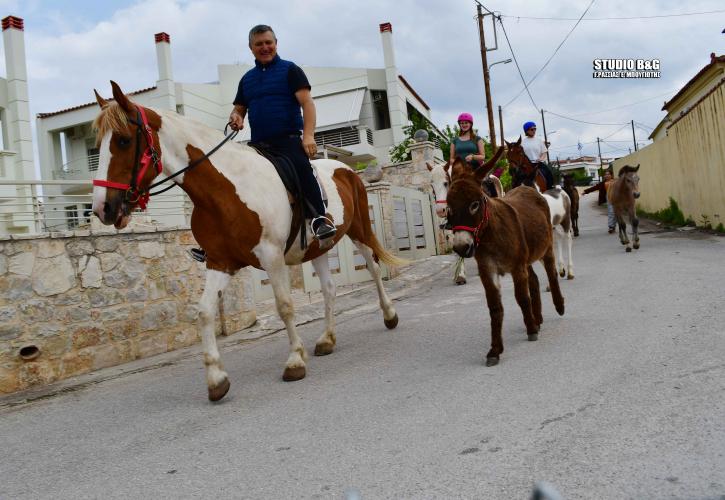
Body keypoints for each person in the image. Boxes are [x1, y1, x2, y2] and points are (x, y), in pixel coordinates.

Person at [190, 24, 335, 262]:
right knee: (230, 179)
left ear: (276, 43)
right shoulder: (247, 80)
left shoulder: (291, 70)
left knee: (302, 168)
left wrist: (308, 136)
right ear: (251, 48)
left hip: (288, 141)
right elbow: (239, 109)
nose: (265, 48)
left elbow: (307, 103)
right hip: (259, 145)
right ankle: (218, 238)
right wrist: (236, 117)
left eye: (269, 43)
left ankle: (319, 218)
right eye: (259, 44)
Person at [521, 121, 554, 189]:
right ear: (526, 131)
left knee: (549, 173)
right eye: (532, 129)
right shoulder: (522, 143)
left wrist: (541, 159)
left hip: (538, 164)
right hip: (526, 166)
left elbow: (544, 152)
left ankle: (550, 188)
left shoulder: (539, 140)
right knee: (517, 176)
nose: (534, 131)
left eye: (535, 129)